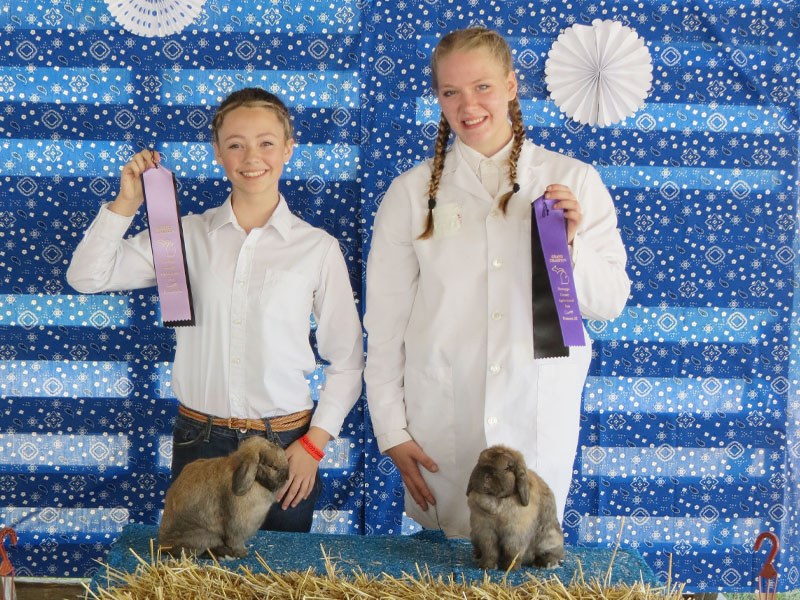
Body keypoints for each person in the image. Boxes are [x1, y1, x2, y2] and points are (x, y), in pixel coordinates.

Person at [364, 27, 631, 538]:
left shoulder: (573, 181)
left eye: (482, 86)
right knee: (447, 556)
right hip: (442, 418)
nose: (468, 106)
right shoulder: (410, 193)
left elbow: (610, 301)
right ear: (437, 97)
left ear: (511, 85)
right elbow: (385, 323)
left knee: (527, 548)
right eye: (451, 92)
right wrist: (391, 430)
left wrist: (570, 247)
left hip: (537, 410)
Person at [67, 87, 364, 533]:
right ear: (217, 153)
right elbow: (87, 276)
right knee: (193, 568)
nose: (252, 156)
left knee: (277, 569)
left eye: (266, 142)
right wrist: (126, 202)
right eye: (236, 144)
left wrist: (314, 445)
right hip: (199, 444)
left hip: (283, 447)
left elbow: (348, 359)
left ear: (288, 149)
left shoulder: (317, 249)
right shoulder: (182, 237)